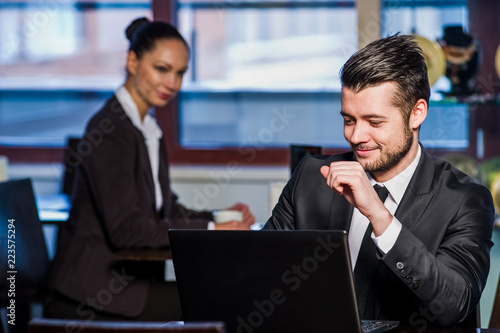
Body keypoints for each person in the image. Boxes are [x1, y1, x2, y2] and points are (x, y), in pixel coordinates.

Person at [263, 34, 494, 328]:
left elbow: (453, 304)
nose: (356, 136)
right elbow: (262, 276)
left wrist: (379, 216)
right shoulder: (310, 177)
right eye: (349, 120)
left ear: (416, 114)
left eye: (374, 122)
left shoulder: (465, 200)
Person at [44, 17, 255, 321]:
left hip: (130, 283)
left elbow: (165, 208)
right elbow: (127, 231)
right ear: (132, 61)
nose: (172, 84)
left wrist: (219, 217)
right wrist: (212, 230)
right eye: (161, 69)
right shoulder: (110, 130)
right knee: (222, 300)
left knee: (223, 293)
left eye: (180, 73)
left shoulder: (145, 128)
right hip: (89, 292)